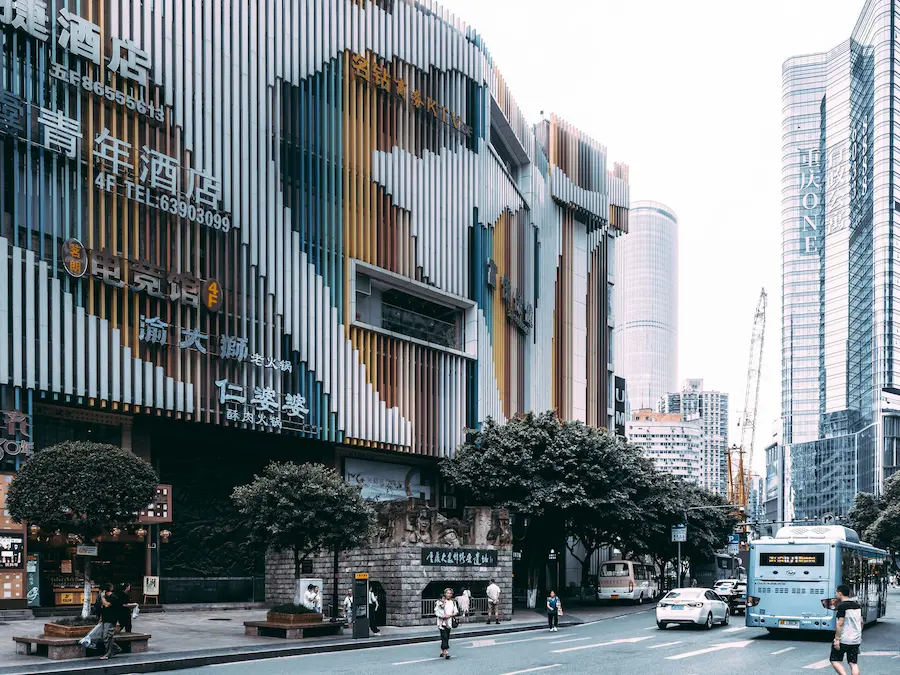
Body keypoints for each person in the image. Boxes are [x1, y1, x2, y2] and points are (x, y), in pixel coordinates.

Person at [830, 584, 862, 675]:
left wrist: (837, 639)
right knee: (853, 663)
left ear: (840, 594)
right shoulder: (857, 606)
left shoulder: (842, 606)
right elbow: (861, 622)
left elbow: (839, 623)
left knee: (834, 660)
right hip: (856, 639)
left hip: (844, 639)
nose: (836, 595)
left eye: (836, 593)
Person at [97, 584, 123, 660]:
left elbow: (107, 605)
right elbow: (102, 608)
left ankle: (109, 653)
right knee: (105, 636)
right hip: (105, 619)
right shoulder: (105, 598)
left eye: (101, 592)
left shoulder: (113, 597)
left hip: (111, 620)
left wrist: (102, 597)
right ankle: (116, 649)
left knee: (107, 636)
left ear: (104, 591)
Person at [435, 587, 459, 659]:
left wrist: (449, 615)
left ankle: (442, 650)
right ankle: (446, 651)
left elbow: (456, 612)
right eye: (447, 593)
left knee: (447, 636)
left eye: (450, 593)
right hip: (442, 622)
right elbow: (437, 611)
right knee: (444, 636)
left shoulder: (453, 602)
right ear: (445, 594)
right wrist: (443, 615)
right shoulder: (440, 602)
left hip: (449, 622)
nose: (449, 594)